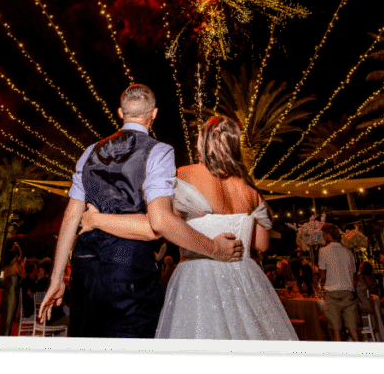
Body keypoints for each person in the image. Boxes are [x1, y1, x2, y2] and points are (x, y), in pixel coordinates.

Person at [37, 85, 243, 338]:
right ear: (153, 114)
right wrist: (215, 249)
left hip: (84, 274)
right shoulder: (159, 151)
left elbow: (71, 217)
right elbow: (160, 222)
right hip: (131, 276)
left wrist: (56, 279)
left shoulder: (90, 152)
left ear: (120, 113)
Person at [75, 115, 298, 340]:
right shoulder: (250, 189)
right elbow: (262, 243)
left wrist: (97, 219)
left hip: (200, 278)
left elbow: (156, 226)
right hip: (246, 279)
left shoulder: (185, 175)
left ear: (202, 142)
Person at [318, 223, 361, 342]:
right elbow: (354, 275)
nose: (323, 237)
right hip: (348, 294)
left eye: (324, 234)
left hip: (333, 295)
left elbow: (322, 275)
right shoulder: (349, 251)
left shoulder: (323, 251)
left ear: (328, 235)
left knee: (336, 330)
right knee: (353, 330)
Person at [0, 246, 26, 336]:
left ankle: (1, 335)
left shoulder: (6, 266)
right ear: (14, 257)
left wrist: (18, 249)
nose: (17, 257)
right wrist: (22, 266)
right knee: (9, 317)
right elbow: (24, 276)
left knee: (4, 317)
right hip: (12, 294)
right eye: (16, 256)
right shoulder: (15, 266)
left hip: (6, 294)